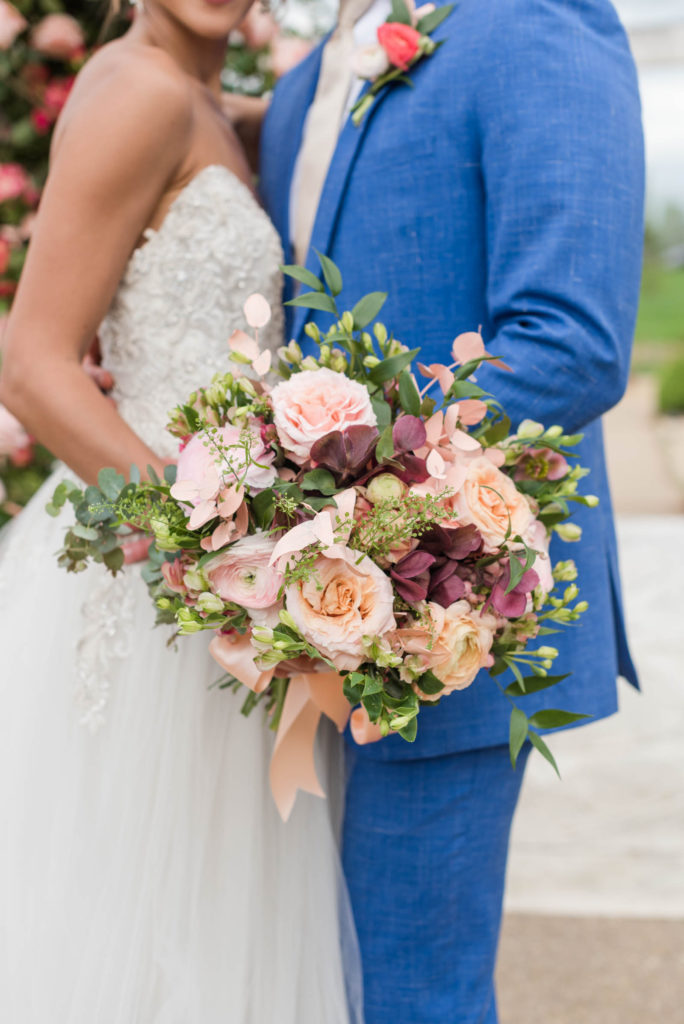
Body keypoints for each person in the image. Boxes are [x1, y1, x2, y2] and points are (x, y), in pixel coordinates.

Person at [259, 0, 645, 1021]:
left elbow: (571, 342)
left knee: (409, 992)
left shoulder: (535, 23)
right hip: (282, 623)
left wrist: (351, 499)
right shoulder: (300, 88)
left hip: (450, 616)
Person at [0, 2, 361, 1021]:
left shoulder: (209, 100)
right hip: (161, 575)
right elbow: (31, 366)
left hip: (225, 582)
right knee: (133, 920)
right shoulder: (143, 93)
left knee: (207, 924)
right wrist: (219, 551)